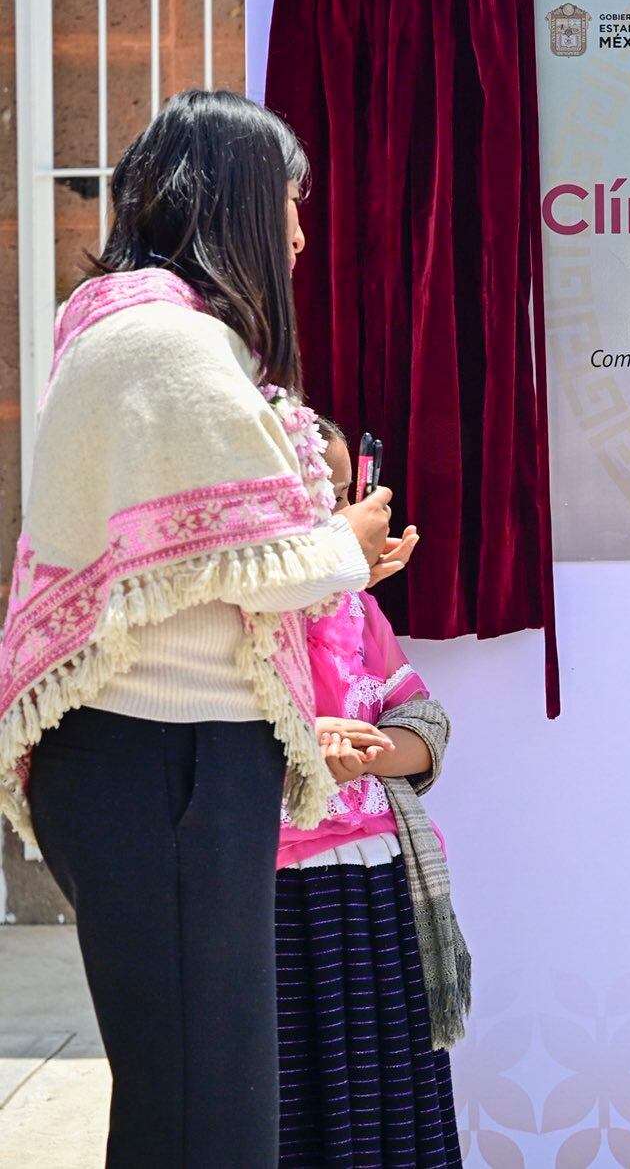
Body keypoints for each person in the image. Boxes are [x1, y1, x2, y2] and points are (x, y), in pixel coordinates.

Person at [0, 91, 414, 1166]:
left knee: (200, 1094)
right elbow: (236, 552)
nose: (298, 234)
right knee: (209, 1111)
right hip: (166, 762)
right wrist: (346, 548)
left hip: (157, 762)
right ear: (230, 201)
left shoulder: (131, 329)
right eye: (287, 202)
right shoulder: (163, 344)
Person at [275, 424, 464, 1167]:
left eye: (345, 489)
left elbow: (423, 724)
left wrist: (361, 751)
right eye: (317, 490)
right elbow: (221, 735)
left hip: (377, 885)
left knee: (386, 1100)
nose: (342, 508)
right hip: (273, 894)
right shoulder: (240, 615)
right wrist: (303, 744)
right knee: (290, 1105)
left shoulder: (358, 611)